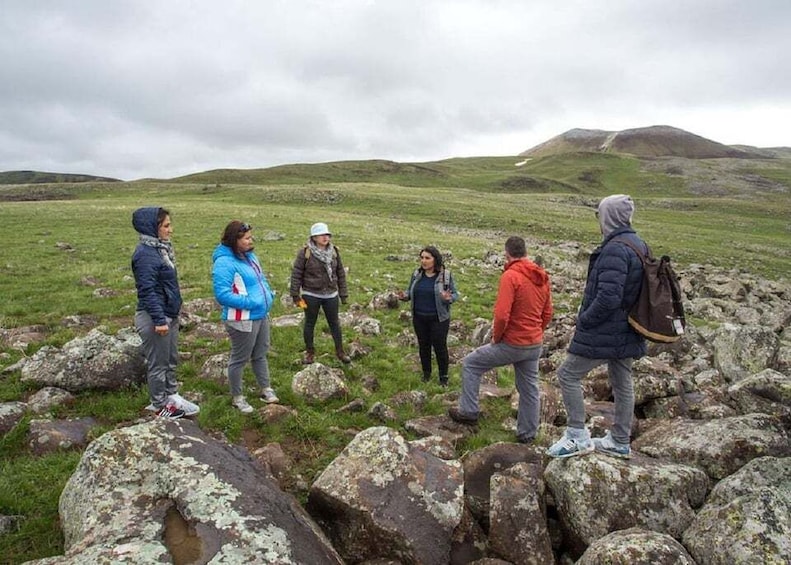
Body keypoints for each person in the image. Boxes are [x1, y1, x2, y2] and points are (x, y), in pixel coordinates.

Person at [546, 194, 647, 459]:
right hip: (628, 329)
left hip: (607, 330)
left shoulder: (615, 248)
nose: (598, 220)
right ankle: (620, 440)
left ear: (609, 216)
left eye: (599, 214)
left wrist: (585, 319)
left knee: (567, 374)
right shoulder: (638, 244)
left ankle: (578, 436)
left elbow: (609, 297)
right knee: (623, 382)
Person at [448, 236, 553, 443]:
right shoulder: (541, 276)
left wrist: (497, 337)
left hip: (513, 342)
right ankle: (527, 434)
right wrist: (536, 331)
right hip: (534, 343)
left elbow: (502, 314)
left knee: (471, 364)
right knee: (529, 388)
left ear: (507, 253)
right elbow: (548, 312)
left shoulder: (511, 276)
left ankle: (469, 411)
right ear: (525, 252)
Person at [131, 207, 200, 420]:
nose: (171, 230)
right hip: (155, 318)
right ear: (153, 227)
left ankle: (172, 396)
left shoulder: (160, 250)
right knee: (158, 364)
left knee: (170, 359)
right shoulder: (145, 254)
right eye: (166, 226)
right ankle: (159, 405)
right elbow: (147, 290)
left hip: (168, 314)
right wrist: (159, 320)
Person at [212, 221, 279, 413]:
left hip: (261, 314)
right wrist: (252, 303)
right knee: (239, 358)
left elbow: (261, 278)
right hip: (241, 318)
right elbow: (222, 294)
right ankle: (237, 397)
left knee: (260, 353)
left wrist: (268, 294)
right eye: (247, 238)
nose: (251, 241)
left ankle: (265, 388)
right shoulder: (224, 263)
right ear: (235, 240)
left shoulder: (250, 256)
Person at [290, 222, 351, 364]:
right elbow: (297, 273)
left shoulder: (334, 252)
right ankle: (310, 352)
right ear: (314, 237)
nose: (325, 237)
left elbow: (340, 273)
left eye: (327, 234)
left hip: (331, 294)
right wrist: (295, 295)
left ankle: (340, 352)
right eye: (321, 234)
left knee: (335, 323)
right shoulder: (305, 252)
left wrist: (343, 294)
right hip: (310, 294)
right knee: (310, 323)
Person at [396, 246, 458, 385]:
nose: (423, 261)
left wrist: (449, 298)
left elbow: (455, 294)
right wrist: (404, 296)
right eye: (422, 257)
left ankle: (443, 378)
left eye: (427, 258)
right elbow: (410, 293)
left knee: (439, 347)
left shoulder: (445, 276)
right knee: (423, 346)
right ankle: (426, 375)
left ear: (435, 260)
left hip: (439, 319)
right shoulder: (416, 274)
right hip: (419, 318)